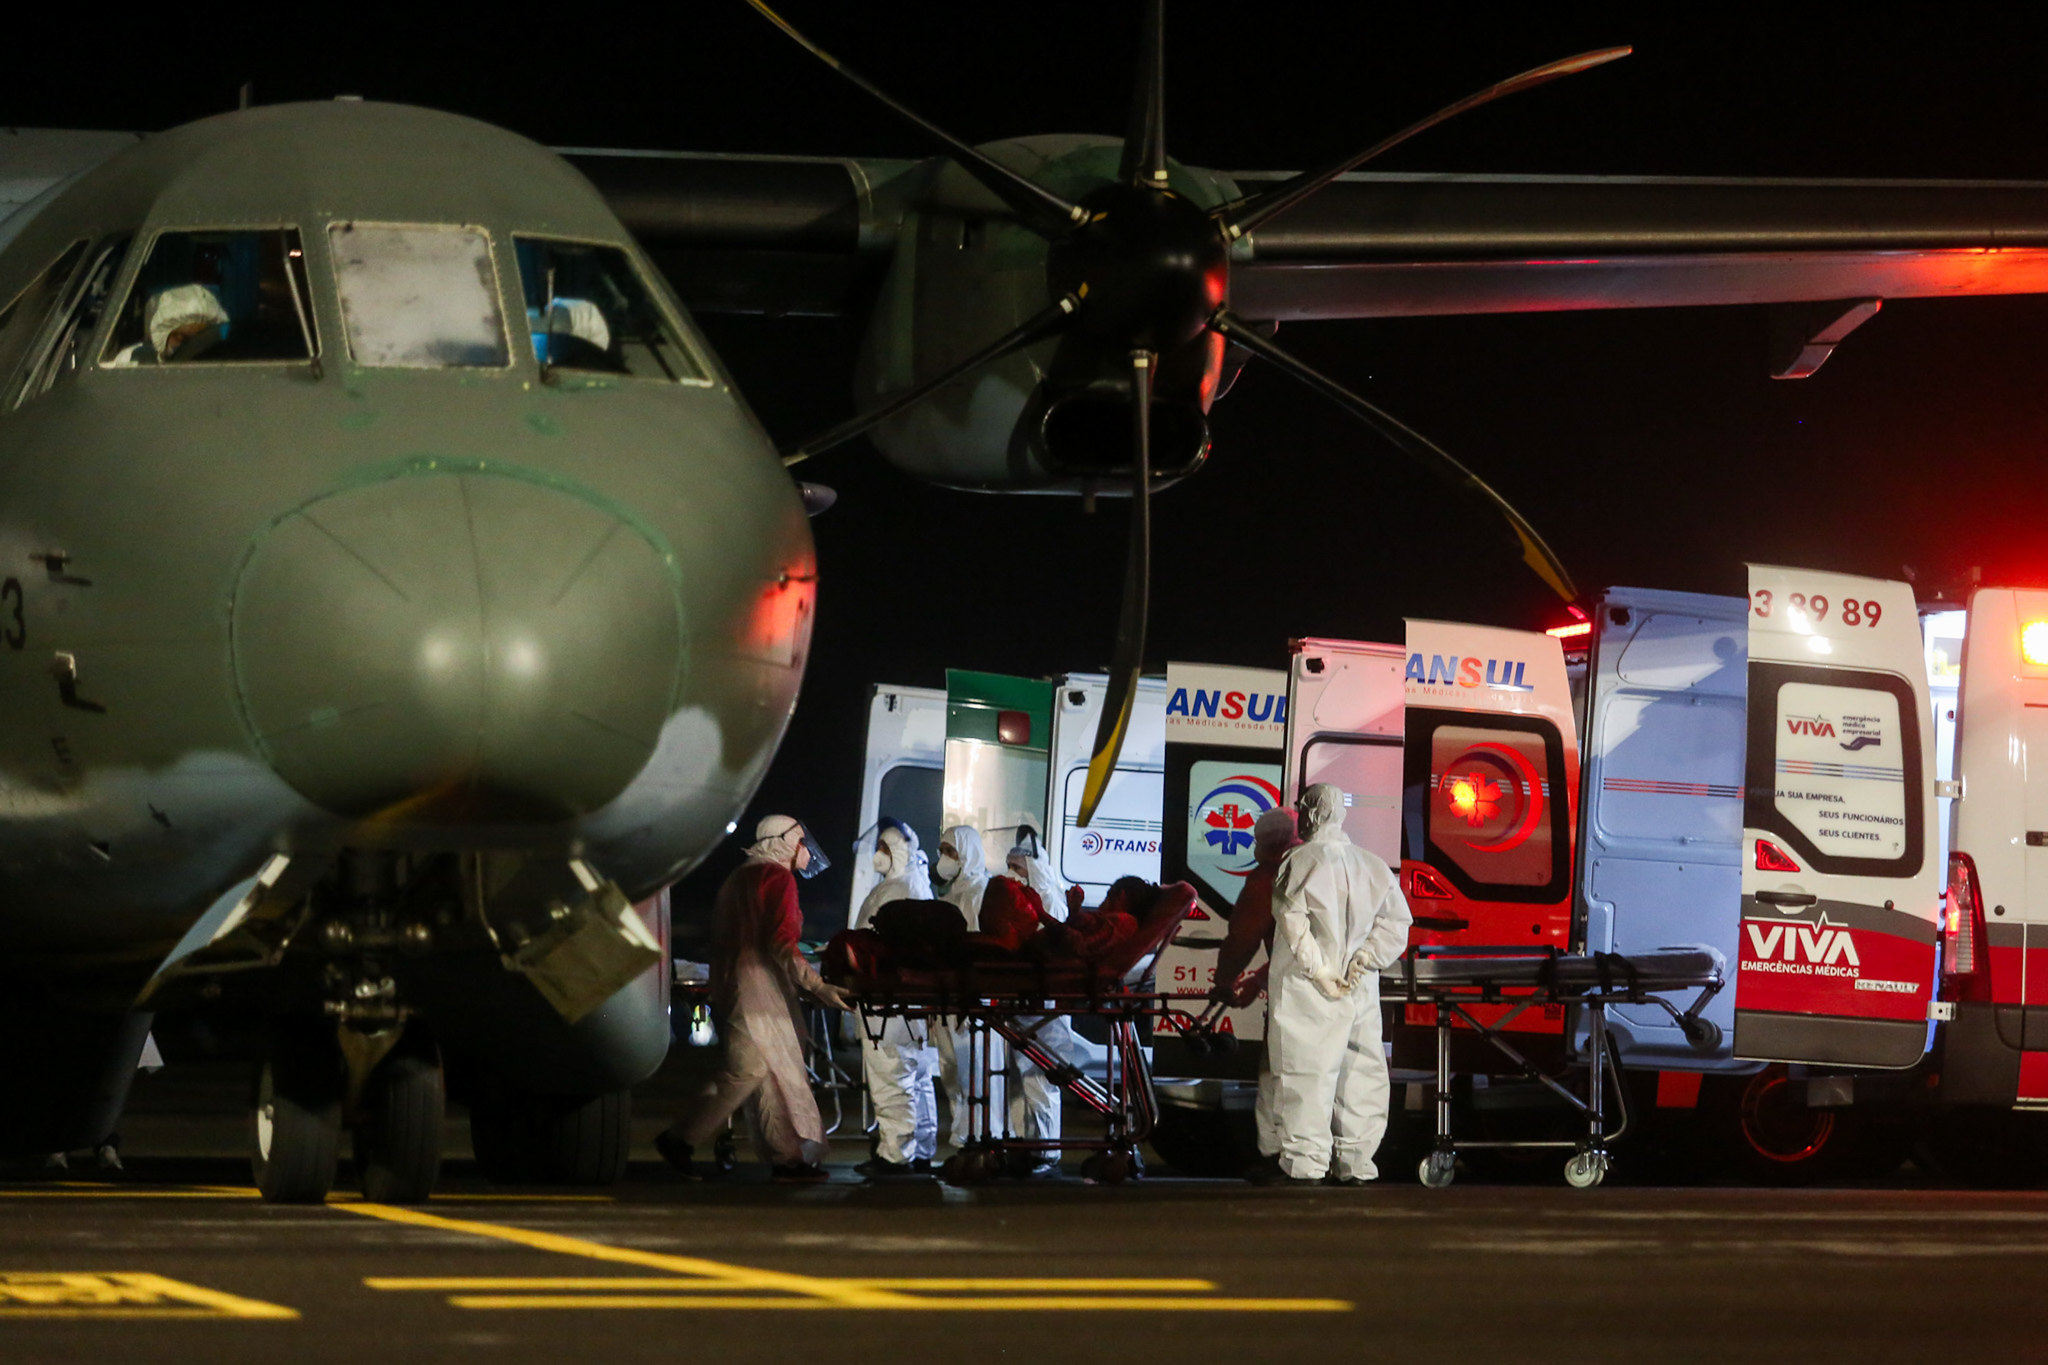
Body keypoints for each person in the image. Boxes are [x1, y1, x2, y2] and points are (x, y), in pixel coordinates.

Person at [658, 815, 853, 1183]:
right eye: (800, 842)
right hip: (758, 988)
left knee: (767, 1072)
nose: (806, 851)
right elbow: (781, 944)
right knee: (748, 1069)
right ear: (783, 843)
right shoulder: (777, 878)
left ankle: (788, 1158)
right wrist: (817, 985)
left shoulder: (740, 876)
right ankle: (679, 1139)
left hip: (734, 981)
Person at [1262, 784, 1412, 1186]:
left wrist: (1321, 971)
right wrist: (1364, 961)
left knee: (1305, 1074)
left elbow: (1293, 923)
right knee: (1360, 1072)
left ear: (1310, 814)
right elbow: (1397, 924)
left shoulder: (1298, 860)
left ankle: (1305, 1165)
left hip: (1308, 989)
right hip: (1359, 988)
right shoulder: (1374, 865)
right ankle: (1356, 1163)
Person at [1211, 807, 1301, 1180]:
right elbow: (1301, 948)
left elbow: (1244, 936)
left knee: (1277, 1072)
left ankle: (1275, 1156)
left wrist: (1224, 981)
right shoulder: (1325, 866)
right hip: (1340, 991)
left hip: (1295, 996)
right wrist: (1259, 980)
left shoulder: (1269, 876)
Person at [851, 819, 940, 1178]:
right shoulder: (915, 886)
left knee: (892, 1077)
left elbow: (871, 942)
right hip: (910, 1005)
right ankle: (920, 1148)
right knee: (917, 1078)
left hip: (886, 1004)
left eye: (885, 849)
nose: (878, 856)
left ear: (898, 852)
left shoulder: (896, 891)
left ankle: (895, 1155)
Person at [1002, 833, 1077, 1176]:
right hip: (1019, 999)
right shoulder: (1018, 899)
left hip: (1043, 1003)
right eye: (1010, 868)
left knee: (1040, 1077)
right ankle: (1023, 1143)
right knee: (1017, 1078)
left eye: (1018, 867)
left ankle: (1044, 1150)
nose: (1013, 874)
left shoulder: (1050, 899)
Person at [930, 824, 1002, 1150]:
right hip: (948, 996)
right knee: (951, 1071)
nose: (944, 858)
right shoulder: (953, 894)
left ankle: (979, 1139)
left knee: (973, 1071)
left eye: (951, 852)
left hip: (968, 998)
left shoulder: (979, 894)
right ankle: (963, 1139)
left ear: (967, 854)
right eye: (942, 851)